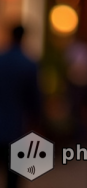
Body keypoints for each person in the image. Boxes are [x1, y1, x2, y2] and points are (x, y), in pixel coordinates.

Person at [0, 25, 41, 188]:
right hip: (16, 127)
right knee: (13, 177)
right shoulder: (28, 64)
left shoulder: (2, 60)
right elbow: (34, 100)